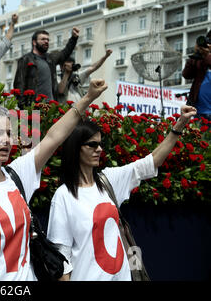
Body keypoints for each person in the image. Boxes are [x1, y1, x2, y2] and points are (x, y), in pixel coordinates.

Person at [0, 78, 109, 281]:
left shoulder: (17, 176)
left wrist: (88, 97)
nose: (6, 139)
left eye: (9, 133)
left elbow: (54, 137)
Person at [46, 104, 197, 281]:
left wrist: (179, 125)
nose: (99, 149)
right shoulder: (63, 196)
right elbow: (61, 260)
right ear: (76, 148)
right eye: (92, 145)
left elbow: (152, 162)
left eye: (100, 144)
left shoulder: (108, 180)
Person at [13, 28, 79, 102]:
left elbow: (65, 53)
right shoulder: (26, 59)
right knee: (34, 113)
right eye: (43, 39)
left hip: (50, 106)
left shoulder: (50, 59)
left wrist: (74, 38)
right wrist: (24, 107)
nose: (46, 41)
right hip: (33, 106)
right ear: (34, 42)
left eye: (48, 39)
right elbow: (19, 85)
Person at [182, 30, 211, 124]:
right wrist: (196, 55)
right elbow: (186, 74)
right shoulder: (199, 60)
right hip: (199, 110)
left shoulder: (207, 58)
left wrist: (207, 55)